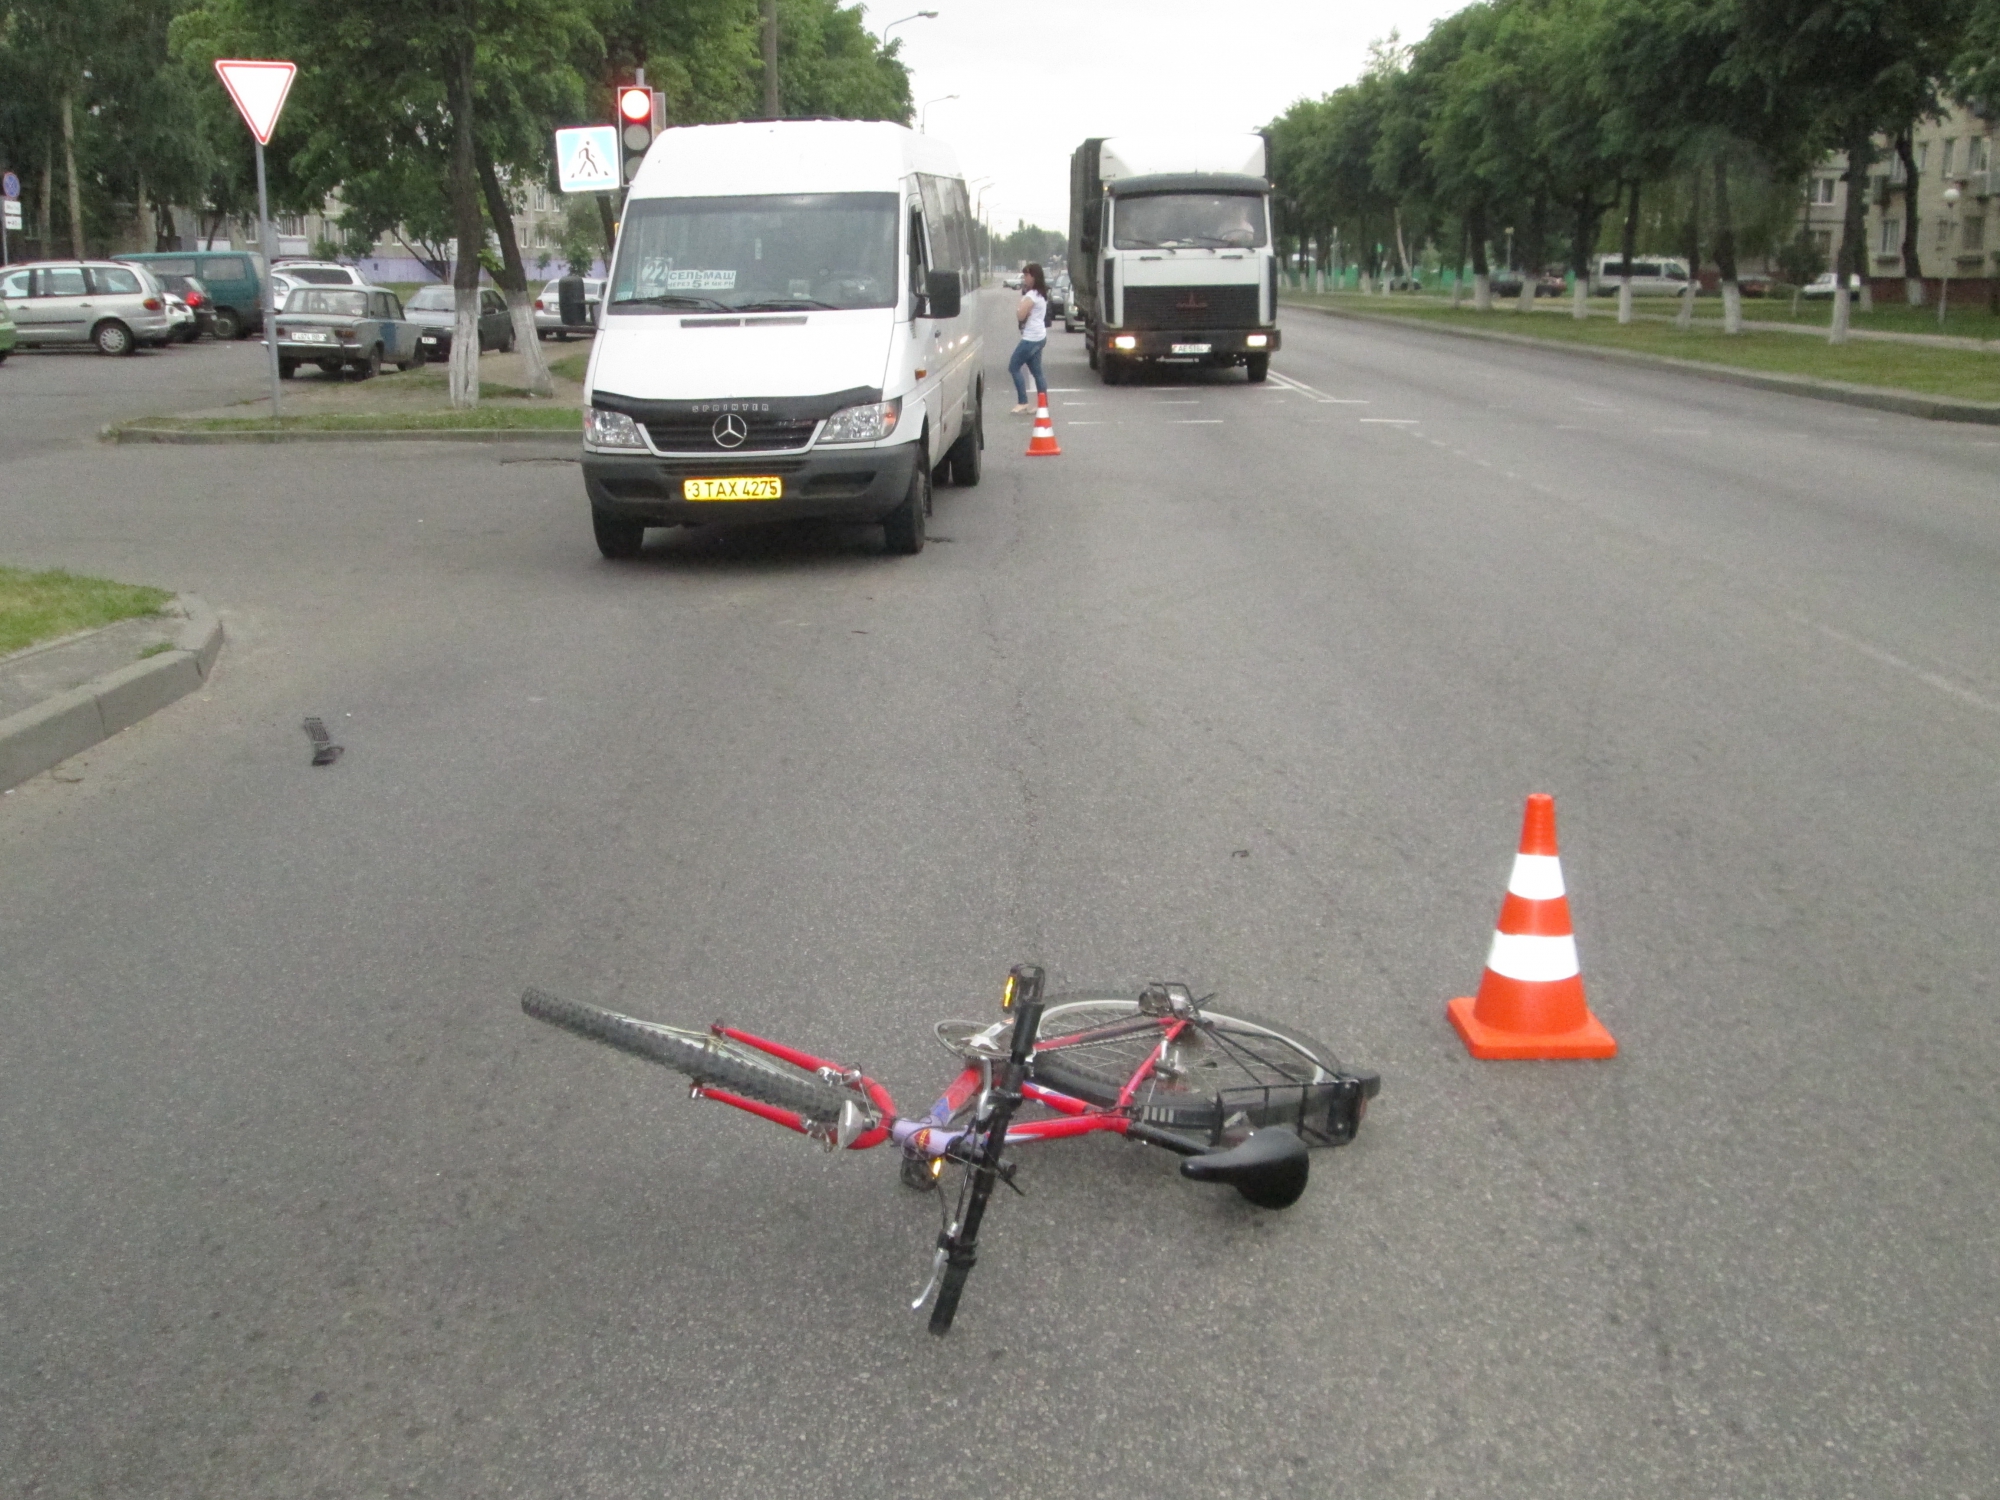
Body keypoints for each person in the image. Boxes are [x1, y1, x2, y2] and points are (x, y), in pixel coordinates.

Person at [1008, 263, 1050, 413]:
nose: (1024, 278)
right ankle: (1042, 403)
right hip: (1039, 336)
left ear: (1034, 276)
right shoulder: (1041, 294)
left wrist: (1020, 308)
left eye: (1027, 275)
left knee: (1013, 366)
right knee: (1037, 371)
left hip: (1031, 338)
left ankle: (1022, 401)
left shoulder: (1032, 295)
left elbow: (1020, 315)